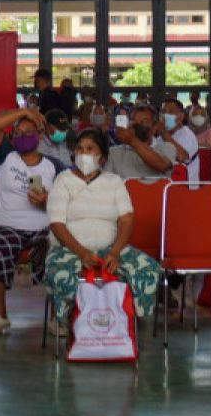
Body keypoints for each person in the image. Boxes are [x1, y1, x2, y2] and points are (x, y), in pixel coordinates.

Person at [44, 128, 160, 329]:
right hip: (69, 249)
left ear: (103, 158)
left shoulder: (114, 182)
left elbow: (126, 220)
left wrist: (115, 253)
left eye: (90, 149)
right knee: (59, 272)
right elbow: (56, 223)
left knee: (148, 269)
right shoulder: (63, 179)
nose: (83, 153)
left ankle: (125, 320)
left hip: (110, 249)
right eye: (79, 149)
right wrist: (81, 253)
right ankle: (64, 320)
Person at [0, 108, 55, 335]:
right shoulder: (7, 156)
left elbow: (65, 200)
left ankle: (56, 318)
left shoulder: (52, 166)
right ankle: (1, 317)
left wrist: (46, 201)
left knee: (59, 256)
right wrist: (26, 111)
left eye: (29, 132)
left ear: (40, 136)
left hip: (42, 228)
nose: (23, 136)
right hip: (6, 227)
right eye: (18, 132)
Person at [106, 105, 175, 179]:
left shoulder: (167, 147)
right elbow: (107, 182)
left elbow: (162, 166)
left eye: (143, 121)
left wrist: (132, 141)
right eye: (133, 120)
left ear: (155, 127)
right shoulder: (113, 152)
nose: (137, 124)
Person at [158, 97, 198, 178]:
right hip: (165, 184)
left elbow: (182, 157)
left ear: (181, 116)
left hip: (185, 187)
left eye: (171, 111)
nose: (166, 115)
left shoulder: (187, 135)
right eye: (163, 111)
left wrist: (163, 133)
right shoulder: (159, 137)